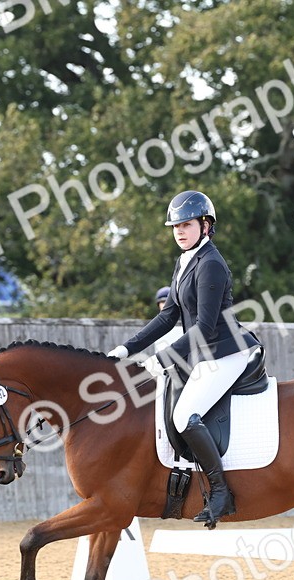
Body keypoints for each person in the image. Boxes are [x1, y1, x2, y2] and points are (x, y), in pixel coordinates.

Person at [107, 190, 261, 527]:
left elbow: (205, 328)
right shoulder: (185, 261)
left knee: (184, 416)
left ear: (205, 225)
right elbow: (168, 317)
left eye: (186, 224)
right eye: (175, 225)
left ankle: (221, 493)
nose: (179, 230)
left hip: (226, 351)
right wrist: (127, 349)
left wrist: (163, 358)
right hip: (203, 352)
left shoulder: (211, 264)